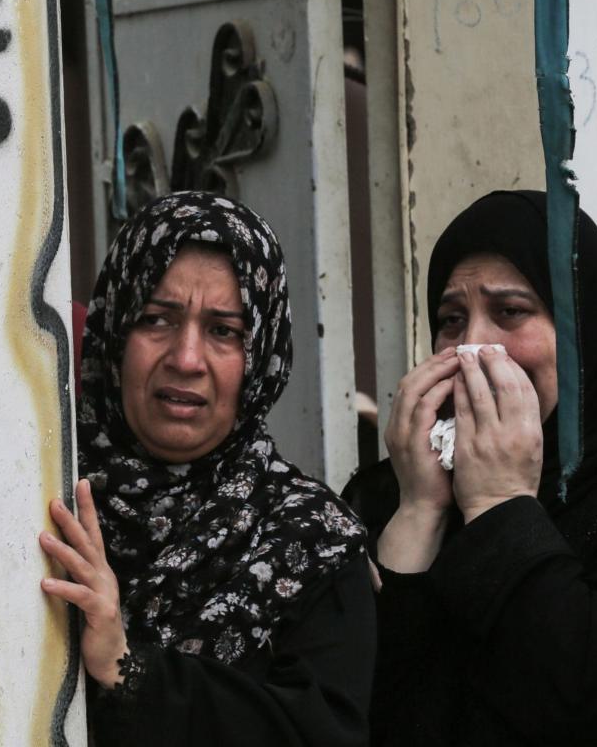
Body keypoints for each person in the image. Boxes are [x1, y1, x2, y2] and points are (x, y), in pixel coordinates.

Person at [343, 190, 597, 747]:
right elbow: (354, 704)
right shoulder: (396, 487)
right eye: (451, 319)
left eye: (510, 312)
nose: (473, 347)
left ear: (583, 326)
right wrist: (419, 509)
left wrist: (500, 507)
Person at [38, 191, 374, 746]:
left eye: (224, 331)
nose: (186, 358)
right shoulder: (43, 498)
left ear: (260, 358)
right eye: (156, 319)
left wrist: (128, 668)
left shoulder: (309, 543)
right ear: (115, 335)